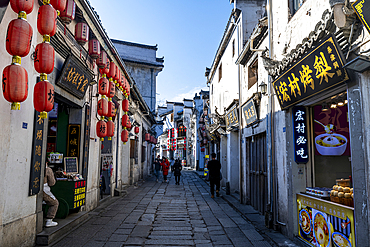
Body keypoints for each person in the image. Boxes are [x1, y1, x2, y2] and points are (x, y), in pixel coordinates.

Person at [43, 162, 59, 227]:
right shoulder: (48, 170)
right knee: (55, 203)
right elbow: (52, 183)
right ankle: (49, 220)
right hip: (44, 190)